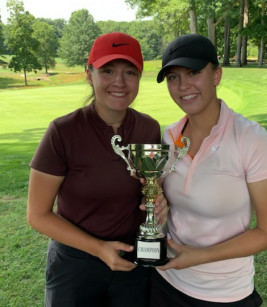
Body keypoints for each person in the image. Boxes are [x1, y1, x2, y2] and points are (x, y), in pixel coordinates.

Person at [27, 32, 168, 307]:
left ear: (140, 78)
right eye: (108, 70)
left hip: (133, 262)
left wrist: (158, 200)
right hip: (75, 265)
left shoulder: (148, 128)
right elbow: (37, 215)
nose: (119, 82)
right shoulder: (62, 132)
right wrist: (99, 249)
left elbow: (150, 186)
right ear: (89, 74)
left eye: (130, 72)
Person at [150, 34, 267, 306]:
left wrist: (198, 256)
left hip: (225, 294)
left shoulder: (251, 138)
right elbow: (165, 200)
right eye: (173, 77)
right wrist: (156, 200)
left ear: (216, 75)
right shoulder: (169, 137)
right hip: (165, 283)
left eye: (194, 72)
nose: (183, 85)